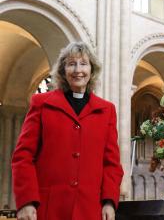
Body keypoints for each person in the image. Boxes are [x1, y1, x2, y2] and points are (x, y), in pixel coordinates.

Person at [12, 42, 124, 220]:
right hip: (48, 209)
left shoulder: (106, 110)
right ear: (63, 71)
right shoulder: (41, 103)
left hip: (90, 209)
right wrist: (26, 201)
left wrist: (109, 201)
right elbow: (23, 156)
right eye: (71, 64)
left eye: (83, 63)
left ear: (92, 70)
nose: (77, 70)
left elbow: (111, 163)